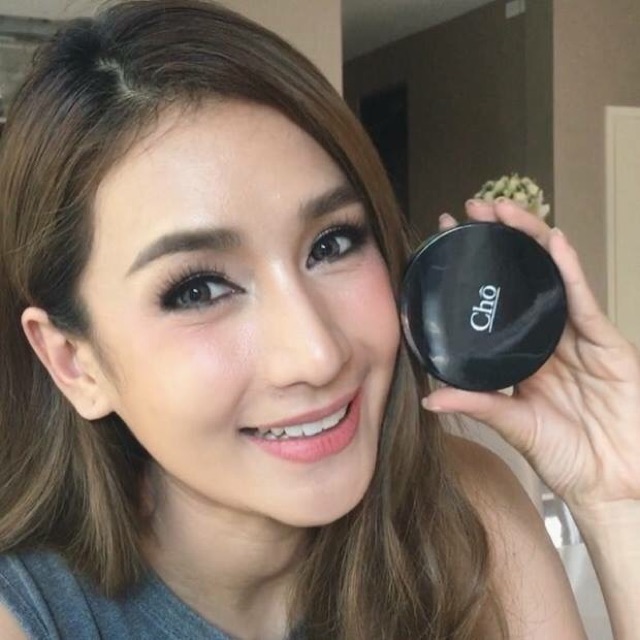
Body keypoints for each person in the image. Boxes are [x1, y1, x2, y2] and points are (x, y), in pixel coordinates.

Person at [0, 1, 638, 638]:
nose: (318, 354)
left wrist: (617, 503)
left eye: (332, 244)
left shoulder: (465, 509)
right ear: (73, 363)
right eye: (198, 290)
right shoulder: (30, 615)